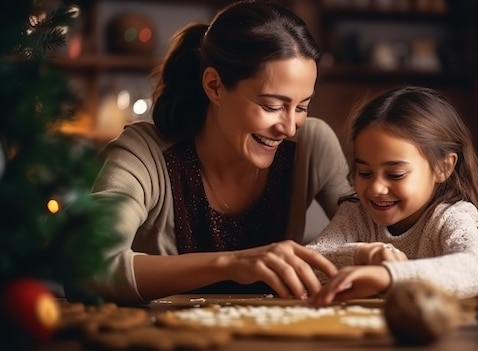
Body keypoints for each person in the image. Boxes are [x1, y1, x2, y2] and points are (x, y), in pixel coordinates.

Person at [83, 0, 352, 305]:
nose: (290, 127)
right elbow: (87, 266)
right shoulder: (144, 154)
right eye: (272, 106)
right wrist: (232, 263)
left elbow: (366, 230)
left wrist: (366, 249)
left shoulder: (310, 144)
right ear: (214, 86)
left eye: (302, 107)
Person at [307, 86, 478, 306]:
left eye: (395, 174)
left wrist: (391, 276)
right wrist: (360, 255)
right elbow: (307, 264)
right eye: (365, 173)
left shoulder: (449, 217)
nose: (376, 188)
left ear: (443, 167)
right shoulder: (355, 214)